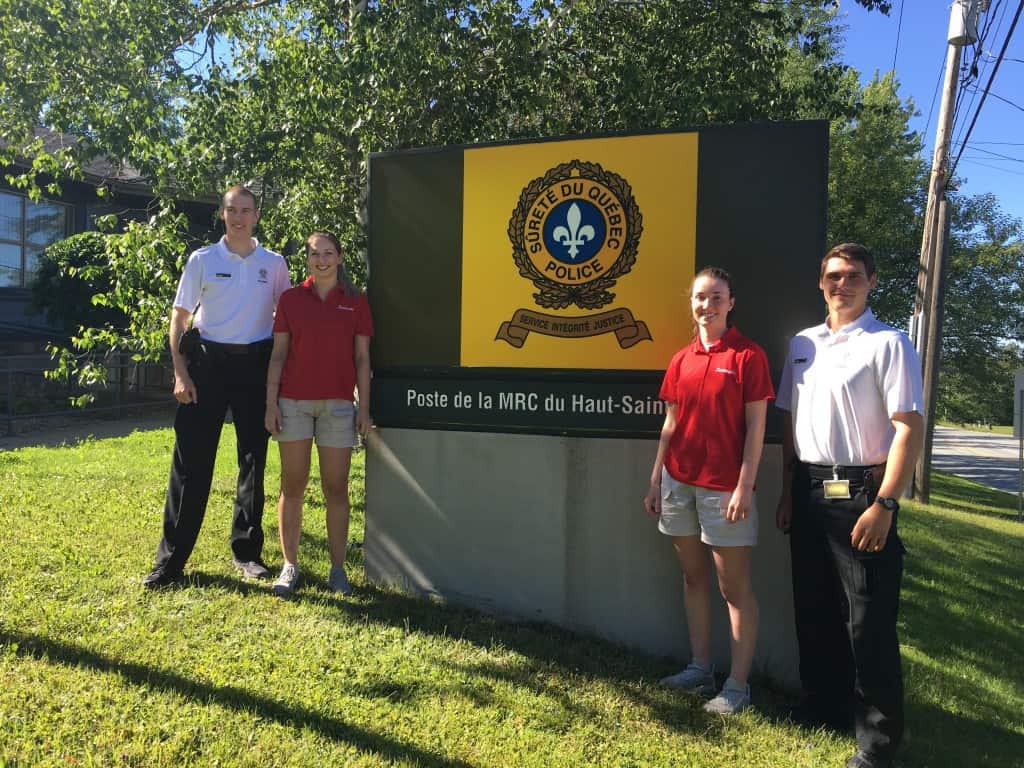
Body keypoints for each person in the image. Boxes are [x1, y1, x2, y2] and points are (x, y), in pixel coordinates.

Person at [775, 243, 924, 768]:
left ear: (872, 282)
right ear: (820, 283)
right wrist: (787, 490)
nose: (843, 284)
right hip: (808, 490)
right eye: (834, 276)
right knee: (813, 608)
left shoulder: (890, 343)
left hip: (863, 493)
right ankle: (823, 705)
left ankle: (880, 742)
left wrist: (885, 503)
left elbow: (909, 427)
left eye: (853, 276)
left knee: (868, 620)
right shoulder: (801, 345)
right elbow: (791, 426)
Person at [144, 185, 291, 588]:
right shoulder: (202, 259)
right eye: (232, 210)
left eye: (247, 210)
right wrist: (180, 372)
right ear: (221, 214)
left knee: (253, 462)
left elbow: (286, 322)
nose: (239, 217)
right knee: (191, 464)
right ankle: (170, 562)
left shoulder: (275, 264)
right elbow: (180, 317)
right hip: (206, 366)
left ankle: (247, 553)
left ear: (257, 215)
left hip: (255, 368)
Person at [643, 266, 774, 714]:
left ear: (731, 303)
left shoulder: (748, 356)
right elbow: (671, 423)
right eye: (701, 297)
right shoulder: (681, 359)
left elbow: (757, 428)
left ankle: (737, 686)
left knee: (733, 589)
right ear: (692, 302)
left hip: (725, 490)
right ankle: (700, 669)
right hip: (679, 483)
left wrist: (745, 485)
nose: (707, 305)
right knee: (693, 579)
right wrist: (657, 476)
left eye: (717, 297)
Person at [264, 231, 373, 597]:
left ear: (340, 258)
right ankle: (289, 566)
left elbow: (362, 359)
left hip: (339, 407)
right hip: (292, 403)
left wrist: (364, 408)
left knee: (336, 489)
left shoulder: (356, 302)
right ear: (306, 259)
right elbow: (278, 355)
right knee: (292, 485)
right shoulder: (291, 299)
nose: (322, 260)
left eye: (329, 253)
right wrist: (270, 402)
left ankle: (338, 570)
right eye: (315, 254)